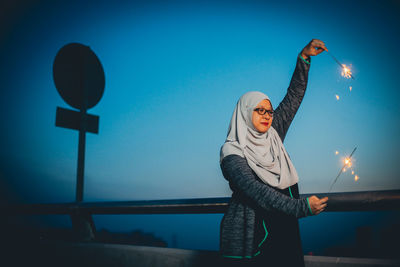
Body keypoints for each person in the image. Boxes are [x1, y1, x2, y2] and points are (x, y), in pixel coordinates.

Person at [219, 39, 329, 267]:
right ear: (245, 113)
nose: (267, 115)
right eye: (259, 110)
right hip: (253, 235)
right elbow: (255, 190)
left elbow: (293, 97)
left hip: (284, 227)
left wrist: (304, 58)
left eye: (269, 111)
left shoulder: (273, 135)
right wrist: (302, 207)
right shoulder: (232, 151)